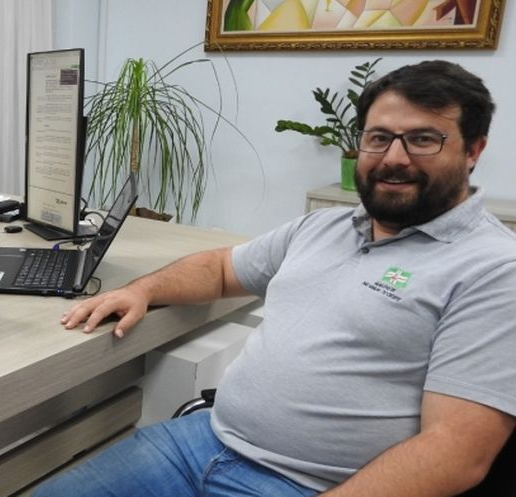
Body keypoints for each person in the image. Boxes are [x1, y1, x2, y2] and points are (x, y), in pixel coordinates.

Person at [34, 60, 516, 496]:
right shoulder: (325, 226)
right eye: (378, 137)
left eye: (423, 139)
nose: (394, 157)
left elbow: (455, 451)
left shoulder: (493, 269)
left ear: (473, 150)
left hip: (311, 485)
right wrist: (142, 290)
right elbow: (220, 268)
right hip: (204, 441)